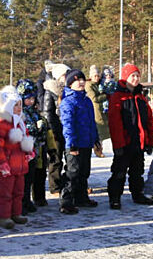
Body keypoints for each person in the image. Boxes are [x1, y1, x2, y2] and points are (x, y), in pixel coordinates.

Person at [107, 64, 153, 209]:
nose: (135, 79)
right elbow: (114, 123)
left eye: (137, 76)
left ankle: (137, 194)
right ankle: (115, 197)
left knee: (137, 171)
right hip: (124, 142)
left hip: (139, 142)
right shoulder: (117, 97)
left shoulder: (141, 97)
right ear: (125, 78)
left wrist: (150, 141)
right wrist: (118, 145)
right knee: (119, 172)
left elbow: (149, 120)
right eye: (132, 76)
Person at [0, 88, 34, 228]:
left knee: (18, 191)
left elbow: (25, 140)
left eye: (20, 105)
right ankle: (3, 216)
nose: (19, 108)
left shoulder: (20, 123)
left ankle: (16, 213)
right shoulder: (2, 124)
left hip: (19, 165)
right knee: (5, 192)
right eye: (15, 105)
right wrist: (1, 163)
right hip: (7, 166)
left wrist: (28, 152)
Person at [58, 69, 99, 214]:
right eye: (77, 80)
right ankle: (66, 201)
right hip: (74, 144)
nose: (81, 82)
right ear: (70, 84)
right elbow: (68, 124)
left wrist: (95, 139)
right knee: (72, 172)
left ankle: (81, 197)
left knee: (84, 172)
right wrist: (71, 144)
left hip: (86, 142)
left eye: (82, 79)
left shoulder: (86, 100)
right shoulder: (68, 102)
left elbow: (91, 123)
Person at [17, 79, 49, 212]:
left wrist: (42, 128)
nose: (31, 101)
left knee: (31, 176)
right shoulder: (20, 113)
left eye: (33, 99)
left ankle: (28, 200)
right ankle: (22, 202)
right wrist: (35, 128)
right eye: (28, 99)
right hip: (23, 151)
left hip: (34, 150)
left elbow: (40, 130)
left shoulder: (34, 112)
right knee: (23, 178)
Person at [41, 61, 70, 196]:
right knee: (56, 159)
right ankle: (55, 186)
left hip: (67, 129)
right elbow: (48, 113)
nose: (66, 77)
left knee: (69, 158)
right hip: (56, 130)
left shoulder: (69, 90)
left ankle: (68, 183)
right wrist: (53, 131)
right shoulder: (51, 91)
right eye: (64, 75)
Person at [85, 65, 108, 158]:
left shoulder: (99, 85)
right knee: (97, 132)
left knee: (100, 132)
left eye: (98, 76)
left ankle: (99, 148)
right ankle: (97, 149)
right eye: (95, 76)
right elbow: (94, 98)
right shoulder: (89, 85)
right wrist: (106, 95)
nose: (97, 78)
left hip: (100, 110)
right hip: (95, 111)